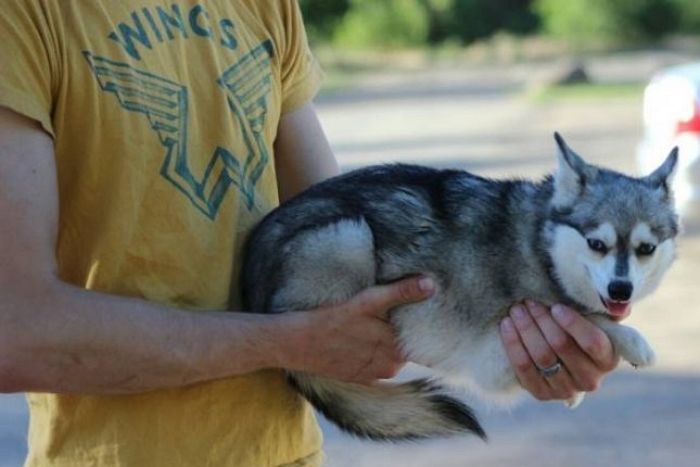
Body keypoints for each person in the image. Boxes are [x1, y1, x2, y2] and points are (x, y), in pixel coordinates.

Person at [0, 1, 619, 465]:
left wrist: (531, 334)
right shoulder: (24, 16)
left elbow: (359, 245)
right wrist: (282, 342)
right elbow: (16, 332)